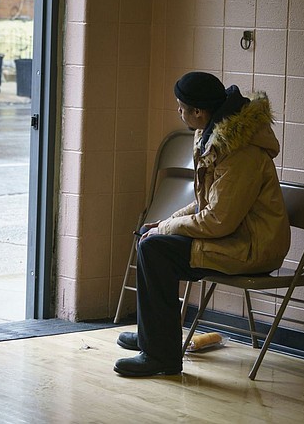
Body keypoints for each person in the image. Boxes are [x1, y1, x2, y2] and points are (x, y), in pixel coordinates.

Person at [113, 72, 291, 377]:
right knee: (150, 239)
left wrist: (167, 229)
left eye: (181, 107)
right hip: (233, 236)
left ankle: (162, 357)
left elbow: (218, 220)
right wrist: (166, 222)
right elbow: (208, 203)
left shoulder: (241, 153)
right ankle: (152, 338)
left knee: (157, 250)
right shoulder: (214, 135)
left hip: (251, 247)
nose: (178, 112)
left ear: (199, 111)